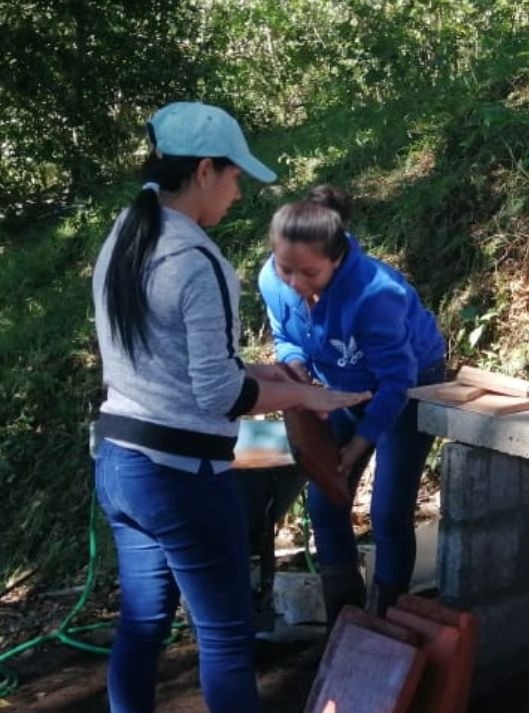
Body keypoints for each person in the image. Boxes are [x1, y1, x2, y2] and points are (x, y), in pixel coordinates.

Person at [92, 102, 371, 713]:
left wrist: (271, 372)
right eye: (236, 177)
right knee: (224, 636)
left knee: (141, 628)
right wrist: (303, 394)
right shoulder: (197, 259)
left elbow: (168, 367)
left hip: (118, 462)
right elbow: (219, 395)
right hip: (180, 477)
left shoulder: (125, 236)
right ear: (205, 171)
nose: (240, 193)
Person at [258, 185, 447, 622]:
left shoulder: (376, 295)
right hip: (338, 386)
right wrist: (298, 372)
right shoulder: (273, 279)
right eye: (286, 269)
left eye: (309, 273)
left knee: (387, 511)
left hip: (409, 387)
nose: (295, 283)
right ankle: (344, 620)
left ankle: (389, 618)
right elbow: (284, 337)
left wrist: (359, 444)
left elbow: (396, 381)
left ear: (337, 258)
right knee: (326, 501)